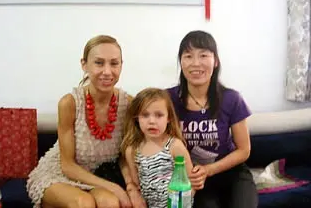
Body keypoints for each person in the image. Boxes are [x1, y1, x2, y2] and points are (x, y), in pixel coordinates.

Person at [27, 35, 144, 208]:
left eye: (114, 63)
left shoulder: (128, 104)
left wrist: (130, 188)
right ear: (84, 64)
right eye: (99, 63)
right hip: (59, 174)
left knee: (111, 203)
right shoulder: (70, 103)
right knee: (84, 203)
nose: (107, 71)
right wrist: (116, 189)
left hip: (99, 177)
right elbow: (67, 165)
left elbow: (125, 155)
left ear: (121, 65)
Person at [167, 30, 258, 208]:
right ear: (181, 62)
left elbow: (244, 150)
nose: (196, 63)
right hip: (192, 177)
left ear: (215, 61)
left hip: (231, 172)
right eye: (188, 56)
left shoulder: (232, 99)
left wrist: (210, 170)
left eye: (203, 55)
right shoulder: (168, 99)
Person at [121, 87, 195, 208]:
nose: (151, 121)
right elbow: (137, 185)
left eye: (159, 115)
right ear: (136, 118)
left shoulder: (175, 146)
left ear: (168, 118)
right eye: (145, 115)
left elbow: (190, 181)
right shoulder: (132, 151)